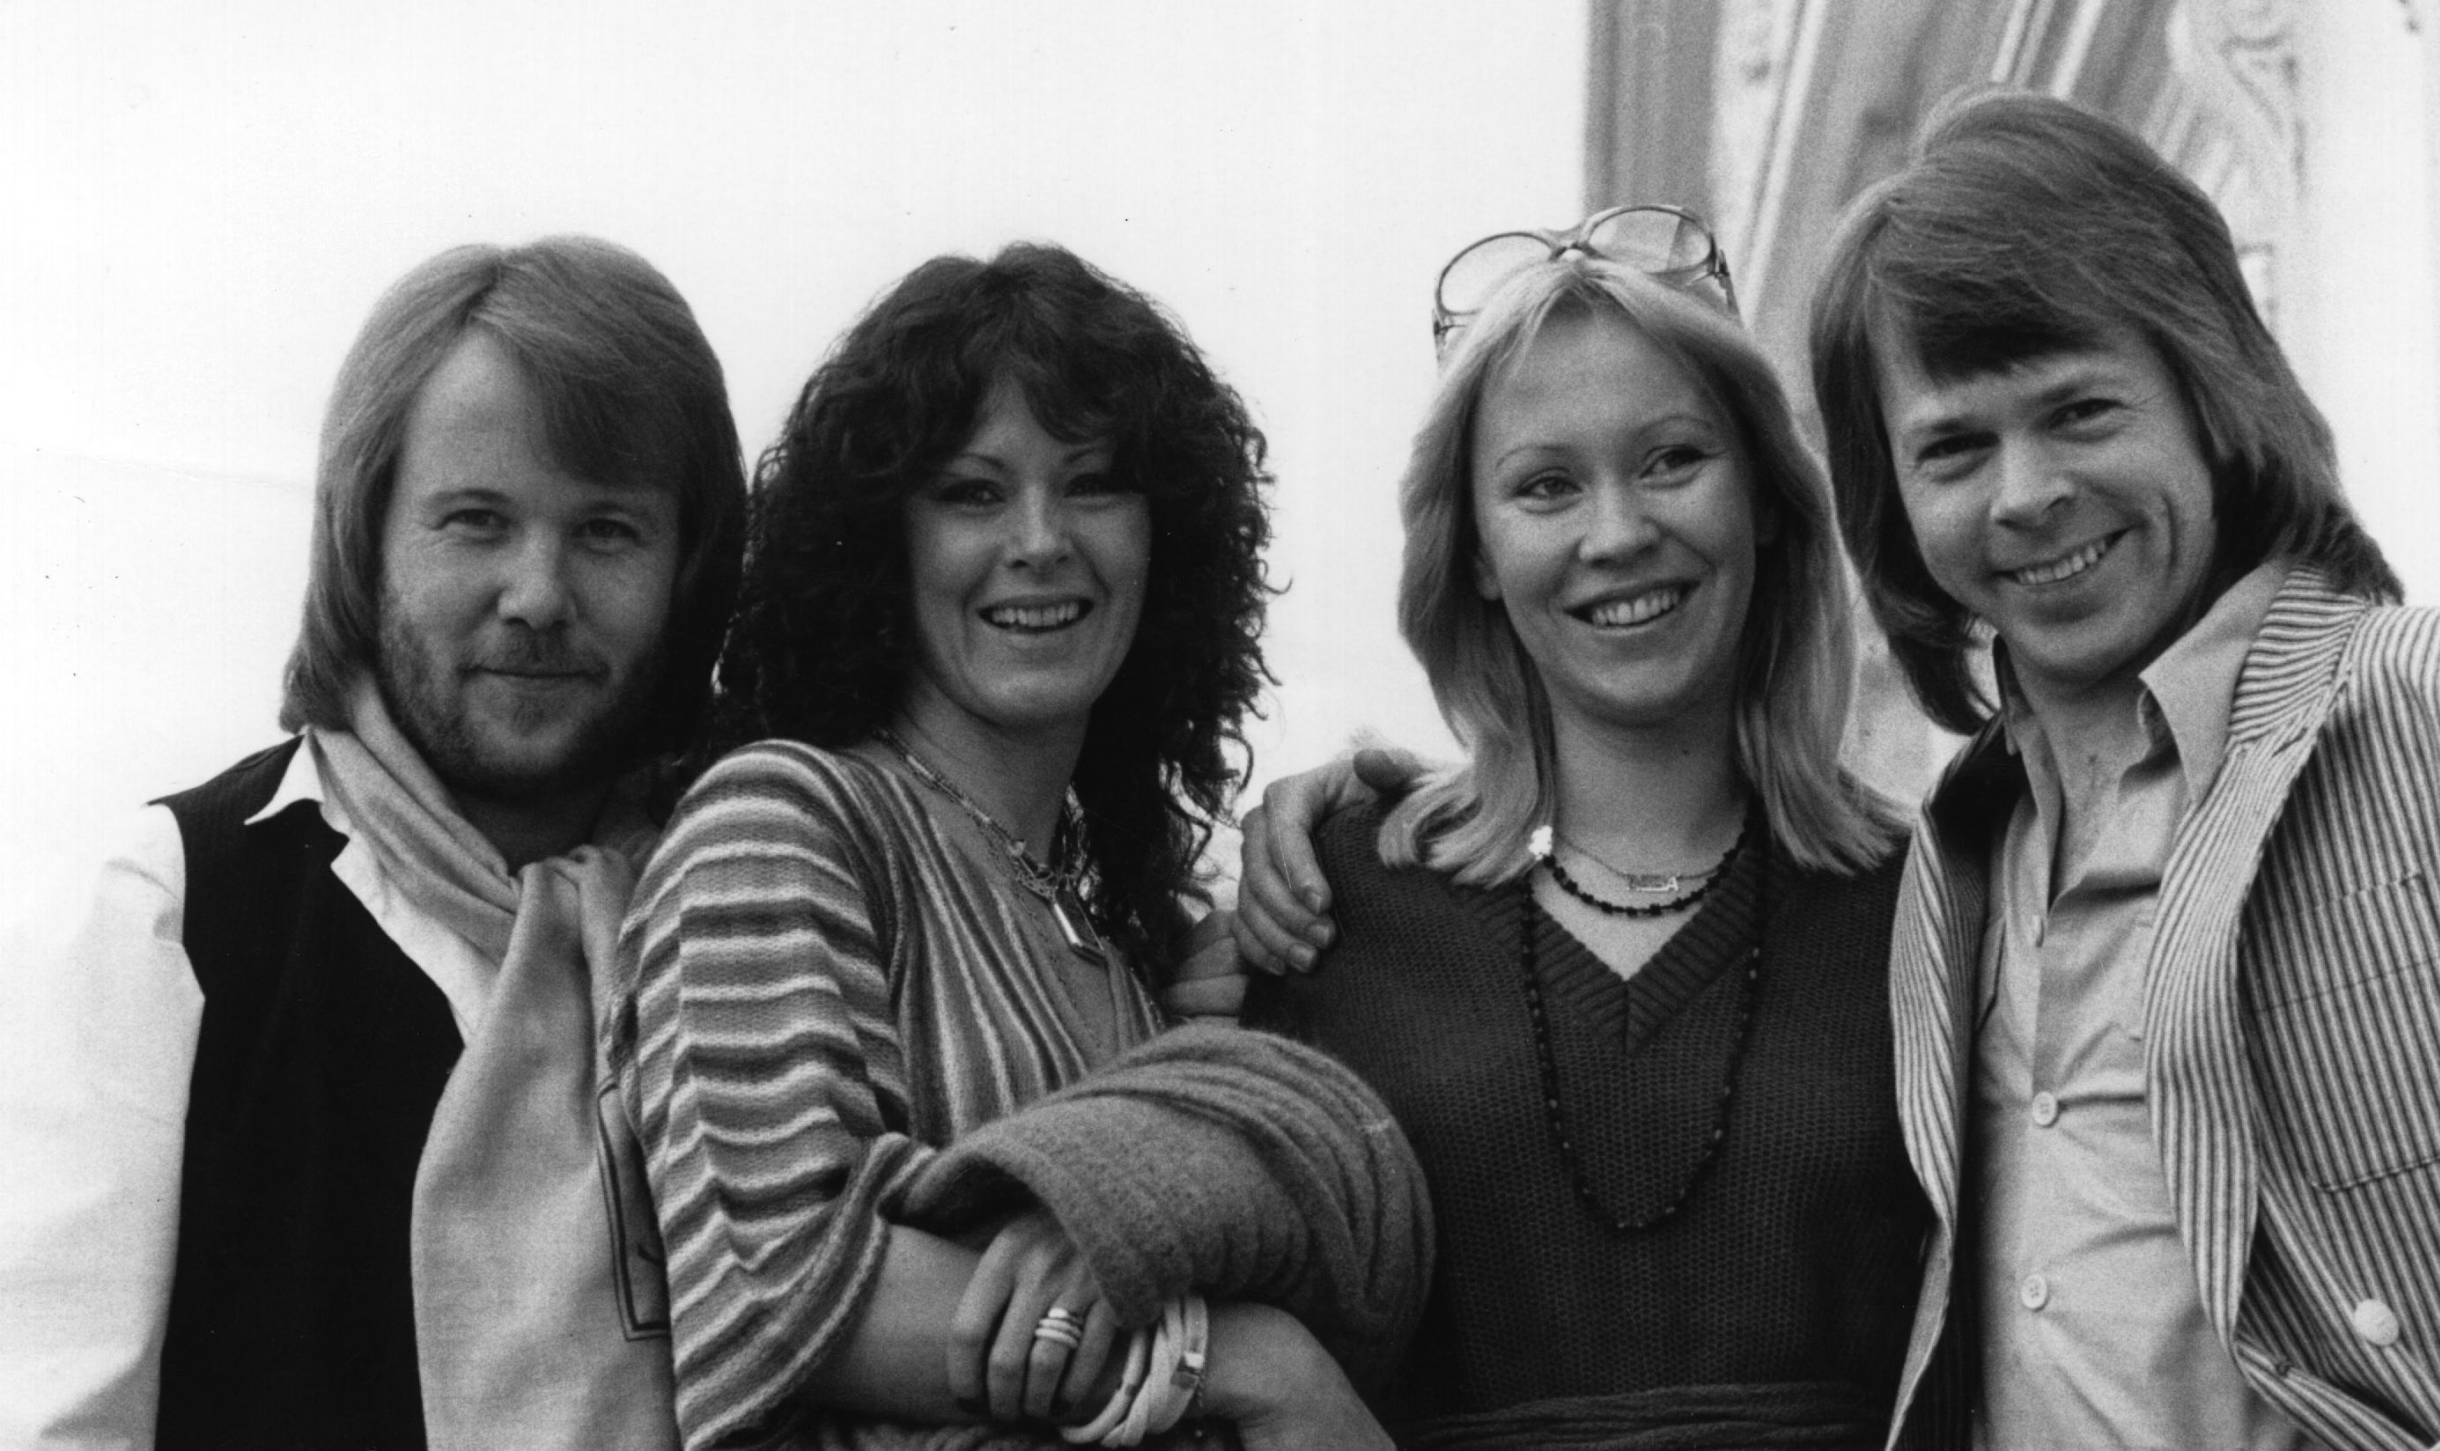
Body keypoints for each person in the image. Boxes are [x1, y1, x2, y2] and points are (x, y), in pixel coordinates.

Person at [1804, 89, 2440, 1449]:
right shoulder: (1947, 864)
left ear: (2211, 395)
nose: (2026, 492)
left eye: (2080, 410)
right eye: (1955, 447)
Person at [610, 242, 1427, 1451]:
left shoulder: (1126, 939)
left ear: (1164, 537)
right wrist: (1238, 1360)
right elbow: (774, 1281)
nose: (1040, 539)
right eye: (972, 493)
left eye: (1092, 483)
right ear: (879, 540)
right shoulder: (781, 822)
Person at [0, 236, 747, 1449]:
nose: (538, 593)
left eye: (608, 530)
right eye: (476, 520)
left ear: (689, 567)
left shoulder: (749, 909)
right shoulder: (166, 916)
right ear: (364, 538)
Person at [1240, 211, 1933, 1448]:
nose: (1615, 533)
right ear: (1476, 553)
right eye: (1545, 484)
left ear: (1767, 501)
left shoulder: (1936, 898)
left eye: (1671, 459)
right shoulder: (1334, 899)